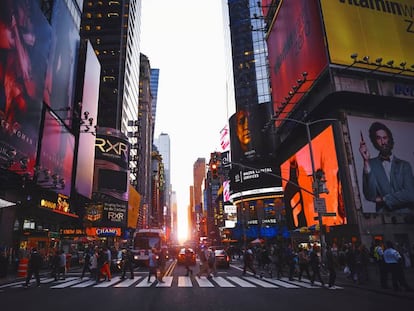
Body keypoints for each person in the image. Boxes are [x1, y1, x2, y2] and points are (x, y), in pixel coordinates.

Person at [359, 122, 414, 212]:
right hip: (385, 219)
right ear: (374, 141)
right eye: (378, 138)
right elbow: (370, 196)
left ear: (390, 139)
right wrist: (366, 161)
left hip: (408, 219)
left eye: (385, 138)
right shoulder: (370, 164)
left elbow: (410, 194)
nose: (383, 142)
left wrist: (384, 199)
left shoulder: (404, 165)